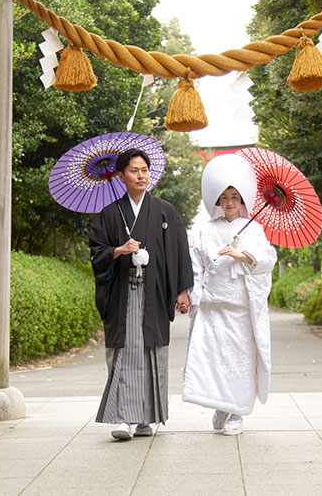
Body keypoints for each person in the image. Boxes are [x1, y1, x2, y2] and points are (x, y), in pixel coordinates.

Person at [89, 148, 193, 440]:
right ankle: (123, 418)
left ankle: (146, 418)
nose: (141, 175)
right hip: (122, 294)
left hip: (155, 292)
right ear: (120, 176)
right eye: (134, 171)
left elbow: (179, 251)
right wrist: (118, 250)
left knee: (151, 351)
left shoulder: (164, 211)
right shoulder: (110, 214)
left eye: (144, 170)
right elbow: (97, 251)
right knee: (124, 353)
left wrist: (183, 290)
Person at [183, 154, 277, 435]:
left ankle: (237, 412)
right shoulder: (205, 231)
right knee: (213, 361)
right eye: (224, 197)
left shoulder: (255, 229)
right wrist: (193, 295)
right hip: (213, 306)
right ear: (217, 201)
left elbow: (267, 258)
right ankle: (219, 405)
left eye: (235, 196)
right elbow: (195, 266)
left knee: (239, 361)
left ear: (243, 200)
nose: (229, 202)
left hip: (240, 307)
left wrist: (243, 254)